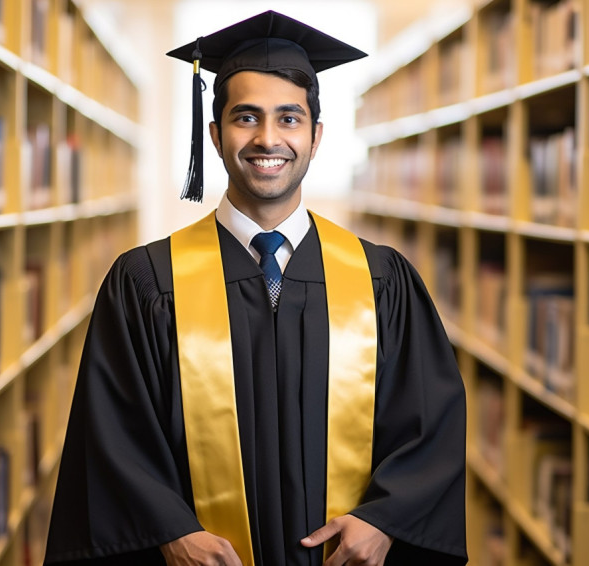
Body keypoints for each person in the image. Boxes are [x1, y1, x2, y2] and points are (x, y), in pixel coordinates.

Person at [44, 10, 467, 566]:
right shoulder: (147, 283)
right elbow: (112, 438)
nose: (268, 138)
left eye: (289, 119)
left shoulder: (380, 280)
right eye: (246, 118)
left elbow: (427, 425)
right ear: (215, 136)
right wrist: (171, 533)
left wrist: (383, 521)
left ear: (316, 138)